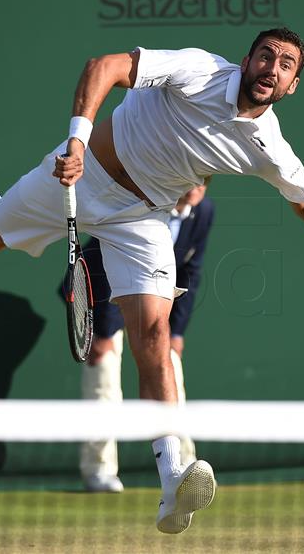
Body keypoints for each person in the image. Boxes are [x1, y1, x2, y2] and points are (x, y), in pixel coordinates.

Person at [0, 27, 304, 534]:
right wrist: (76, 139)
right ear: (246, 60)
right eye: (266, 56)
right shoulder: (200, 70)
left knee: (154, 335)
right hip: (84, 169)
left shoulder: (268, 147)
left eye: (286, 64)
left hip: (141, 217)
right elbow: (106, 66)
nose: (273, 67)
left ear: (292, 84)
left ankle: (171, 478)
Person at [78, 183, 213, 493]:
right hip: (106, 298)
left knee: (172, 376)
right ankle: (99, 470)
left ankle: (183, 467)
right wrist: (99, 330)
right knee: (104, 380)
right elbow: (96, 268)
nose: (195, 187)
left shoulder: (204, 212)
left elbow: (191, 270)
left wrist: (176, 332)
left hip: (156, 305)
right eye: (190, 179)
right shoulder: (140, 203)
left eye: (202, 181)